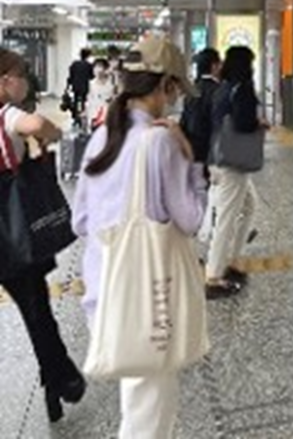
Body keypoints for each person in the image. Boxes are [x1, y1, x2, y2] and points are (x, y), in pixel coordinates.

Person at [71, 37, 204, 436]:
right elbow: (192, 219)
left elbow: (80, 220)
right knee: (149, 418)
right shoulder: (160, 140)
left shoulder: (102, 135)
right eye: (175, 90)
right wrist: (190, 160)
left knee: (139, 404)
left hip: (103, 291)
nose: (175, 99)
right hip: (148, 299)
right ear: (165, 85)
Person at [0, 48, 86, 424]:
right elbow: (40, 125)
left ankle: (57, 378)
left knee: (35, 309)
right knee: (37, 311)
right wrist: (50, 135)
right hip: (14, 229)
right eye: (22, 75)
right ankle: (62, 378)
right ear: (5, 81)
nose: (26, 83)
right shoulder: (7, 113)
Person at [205, 46, 266, 299]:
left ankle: (233, 260)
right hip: (233, 163)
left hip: (219, 157)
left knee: (249, 206)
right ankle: (214, 275)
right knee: (227, 218)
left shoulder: (224, 87)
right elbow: (243, 122)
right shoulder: (243, 89)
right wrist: (259, 124)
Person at [181, 48, 222, 244]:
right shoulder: (218, 91)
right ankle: (208, 233)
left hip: (192, 149)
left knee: (199, 191)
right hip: (211, 151)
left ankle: (201, 231)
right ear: (214, 66)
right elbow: (218, 127)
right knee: (213, 192)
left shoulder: (192, 90)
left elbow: (185, 121)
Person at [85, 58, 117, 129]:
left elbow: (114, 98)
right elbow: (89, 100)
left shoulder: (111, 84)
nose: (98, 70)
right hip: (94, 115)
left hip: (107, 116)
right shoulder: (91, 84)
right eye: (95, 67)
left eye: (100, 67)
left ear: (105, 69)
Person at [66, 48, 94, 127]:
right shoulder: (89, 65)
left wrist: (68, 86)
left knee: (75, 101)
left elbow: (70, 75)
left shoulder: (74, 64)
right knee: (84, 102)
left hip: (76, 86)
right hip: (85, 87)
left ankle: (75, 117)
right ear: (88, 56)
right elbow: (92, 76)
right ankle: (83, 116)